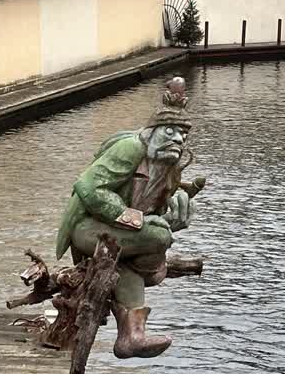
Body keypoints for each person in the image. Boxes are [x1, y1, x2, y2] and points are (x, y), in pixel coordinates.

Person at [56, 78, 202, 359]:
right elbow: (88, 187)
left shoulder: (168, 165)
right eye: (170, 131)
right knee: (157, 236)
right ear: (152, 131)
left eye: (183, 135)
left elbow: (154, 211)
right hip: (88, 227)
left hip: (118, 234)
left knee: (134, 256)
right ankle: (136, 312)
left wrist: (174, 215)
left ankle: (131, 337)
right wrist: (132, 218)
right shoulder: (131, 148)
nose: (178, 139)